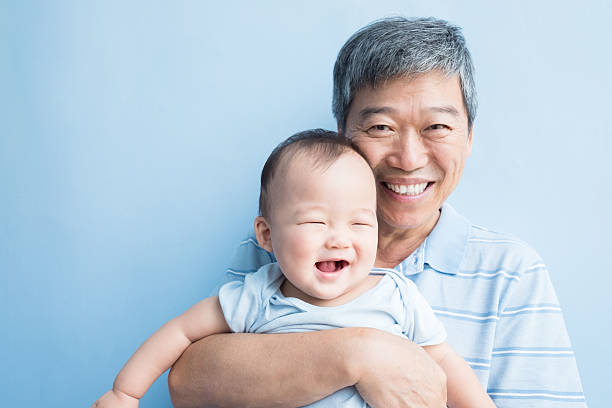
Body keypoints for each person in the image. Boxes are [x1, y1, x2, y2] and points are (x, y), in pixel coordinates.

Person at [169, 17, 586, 408]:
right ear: (342, 136)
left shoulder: (510, 272)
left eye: (437, 127)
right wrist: (357, 353)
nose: (408, 158)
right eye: (381, 127)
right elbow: (189, 382)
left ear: (469, 138)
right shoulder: (283, 246)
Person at [91, 130, 495, 408]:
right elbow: (180, 332)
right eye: (315, 223)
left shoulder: (397, 295)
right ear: (266, 235)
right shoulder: (258, 294)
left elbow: (444, 362)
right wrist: (125, 392)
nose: (338, 239)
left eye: (359, 222)